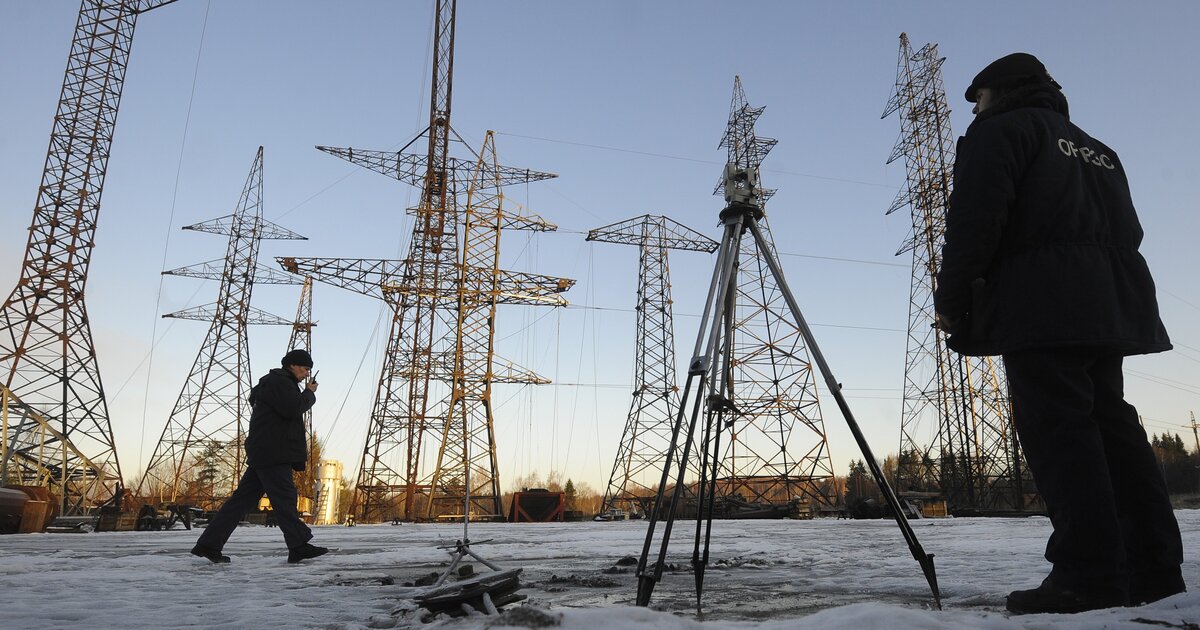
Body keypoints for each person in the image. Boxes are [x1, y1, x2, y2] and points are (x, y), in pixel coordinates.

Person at [934, 52, 1185, 615]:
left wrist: (952, 300)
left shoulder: (999, 133)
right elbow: (1130, 229)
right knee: (1113, 428)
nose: (974, 109)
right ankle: (1155, 571)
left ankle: (1087, 576)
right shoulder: (1098, 150)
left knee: (1061, 432)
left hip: (1044, 304)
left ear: (997, 92)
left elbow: (975, 220)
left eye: (977, 98)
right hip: (1110, 304)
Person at [191, 349, 328, 564]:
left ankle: (208, 545)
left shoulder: (274, 383)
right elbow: (292, 409)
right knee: (285, 499)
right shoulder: (281, 383)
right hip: (273, 452)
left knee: (240, 502)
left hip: (264, 451)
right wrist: (309, 394)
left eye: (309, 370)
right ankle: (298, 545)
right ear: (292, 365)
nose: (306, 374)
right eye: (304, 368)